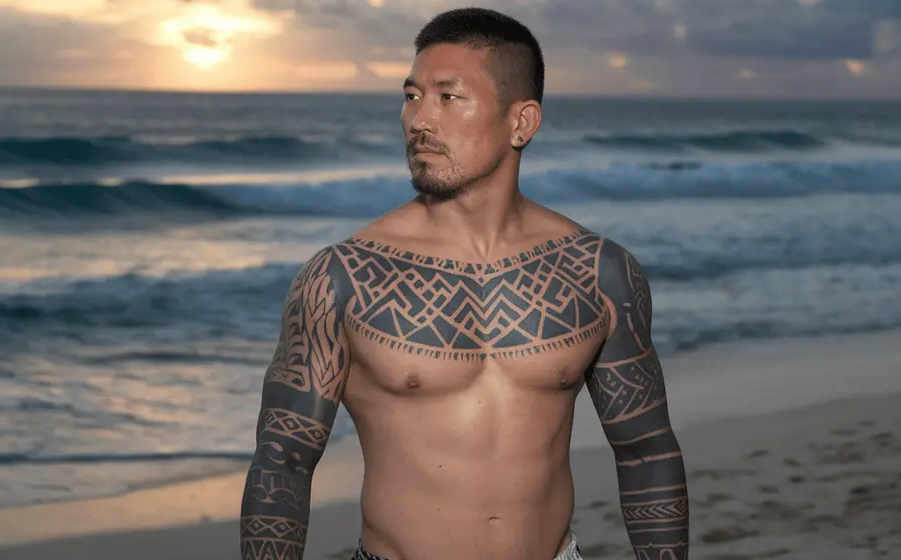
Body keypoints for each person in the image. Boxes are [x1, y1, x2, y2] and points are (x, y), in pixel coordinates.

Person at [240, 7, 689, 560]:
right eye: (411, 96)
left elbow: (646, 451)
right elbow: (282, 461)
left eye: (447, 97)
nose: (418, 120)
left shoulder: (598, 272)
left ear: (521, 122)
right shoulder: (343, 279)